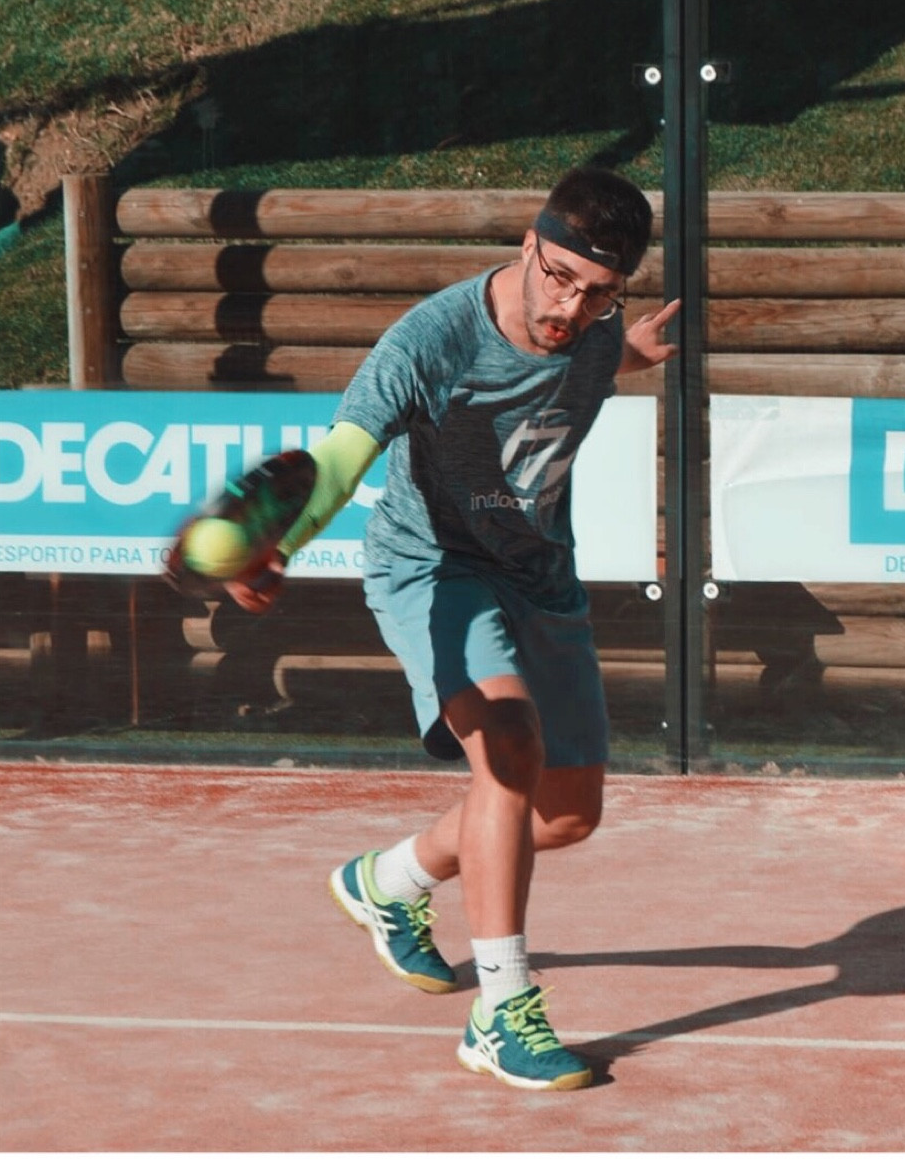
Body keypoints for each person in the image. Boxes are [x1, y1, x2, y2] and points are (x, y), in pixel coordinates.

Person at [229, 166, 680, 1091]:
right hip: (434, 567)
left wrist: (626, 348)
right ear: (529, 244)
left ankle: (388, 880)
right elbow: (341, 457)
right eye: (559, 277)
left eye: (599, 293)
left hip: (541, 575)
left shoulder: (595, 329)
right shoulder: (430, 341)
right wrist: (285, 544)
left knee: (567, 814)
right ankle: (501, 1013)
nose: (570, 306)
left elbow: (588, 362)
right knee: (509, 748)